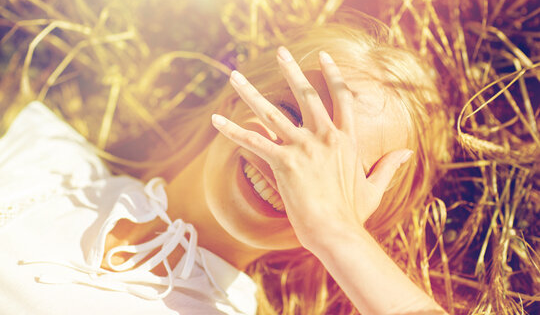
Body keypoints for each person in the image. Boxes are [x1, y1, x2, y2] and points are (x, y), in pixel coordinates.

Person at [0, 18, 450, 314]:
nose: (293, 160)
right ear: (238, 96)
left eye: (341, 171)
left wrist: (336, 232)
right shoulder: (45, 155)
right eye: (291, 114)